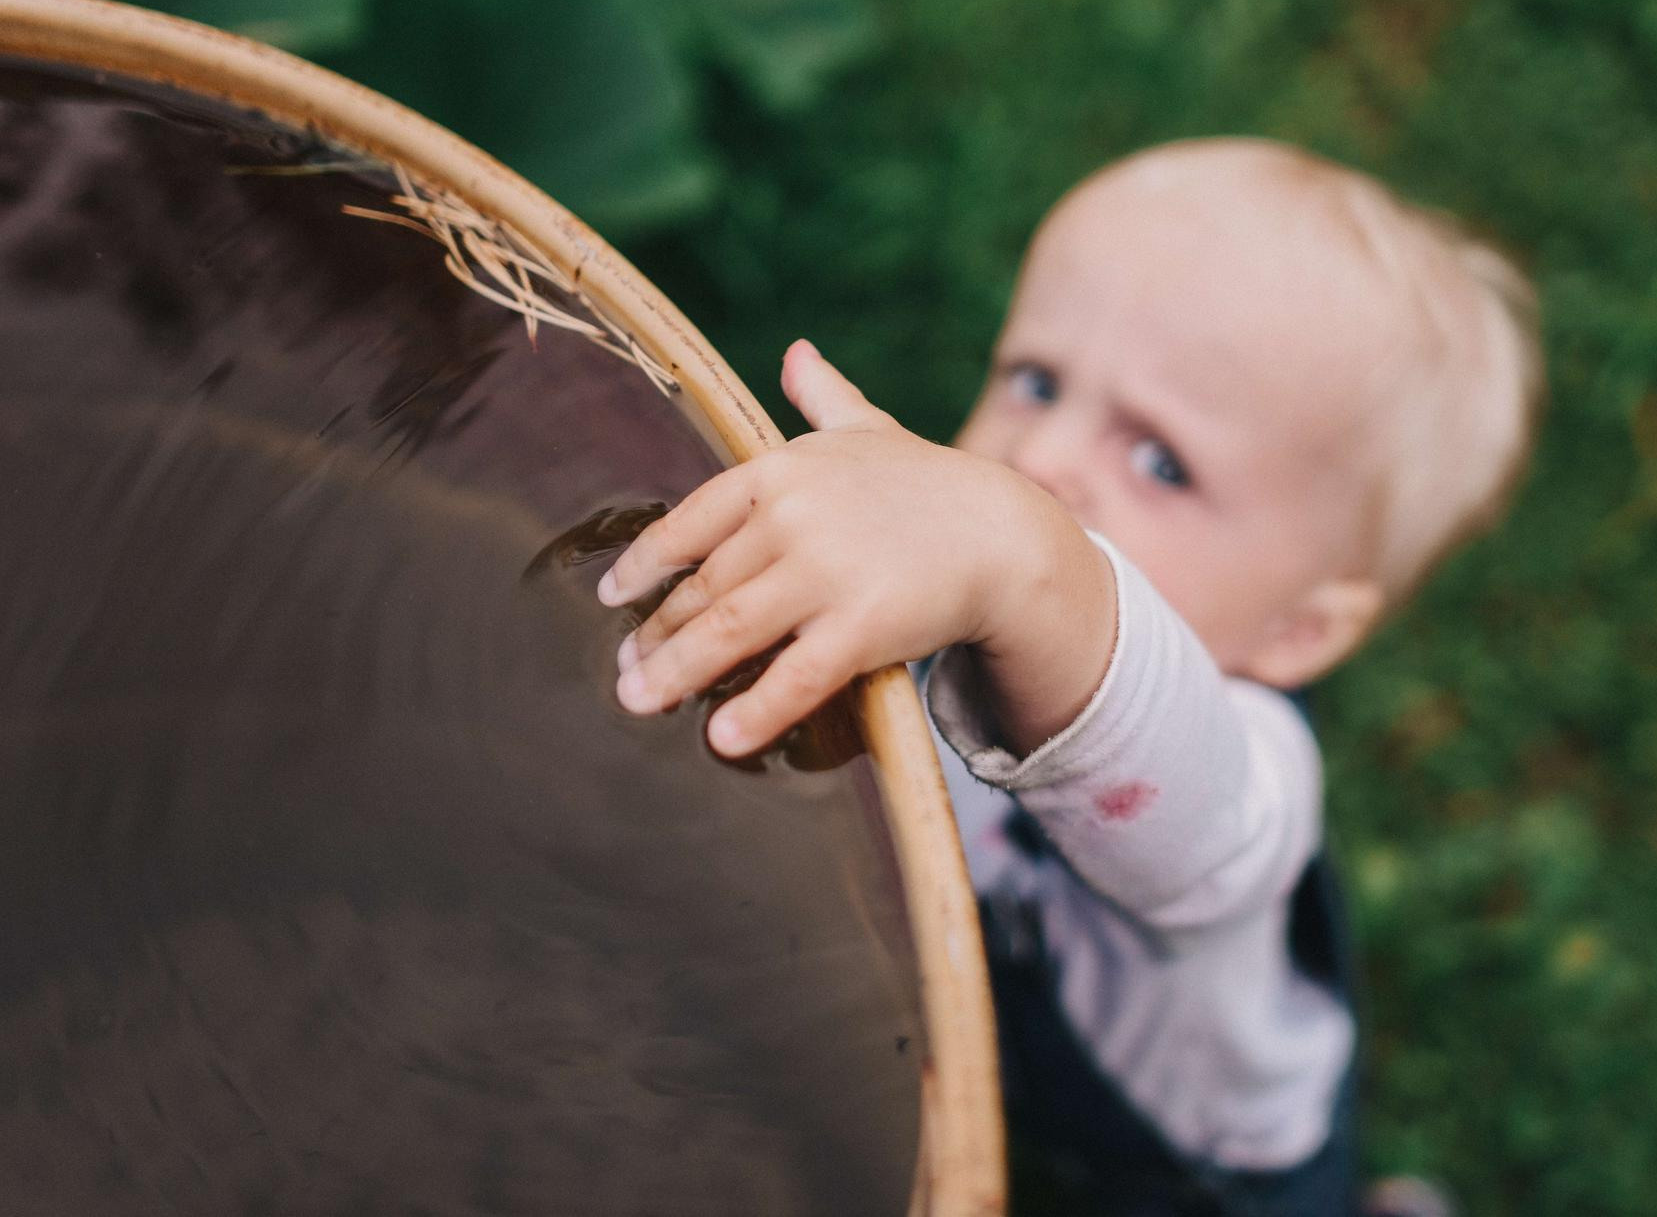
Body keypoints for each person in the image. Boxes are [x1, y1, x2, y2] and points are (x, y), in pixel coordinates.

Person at [596, 138, 1540, 1215]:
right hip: (1016, 1028)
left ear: (1294, 633)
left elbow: (1157, 781)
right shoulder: (968, 611)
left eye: (1160, 462)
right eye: (1036, 382)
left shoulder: (1244, 791)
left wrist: (1024, 555)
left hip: (1201, 1164)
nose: (1041, 460)